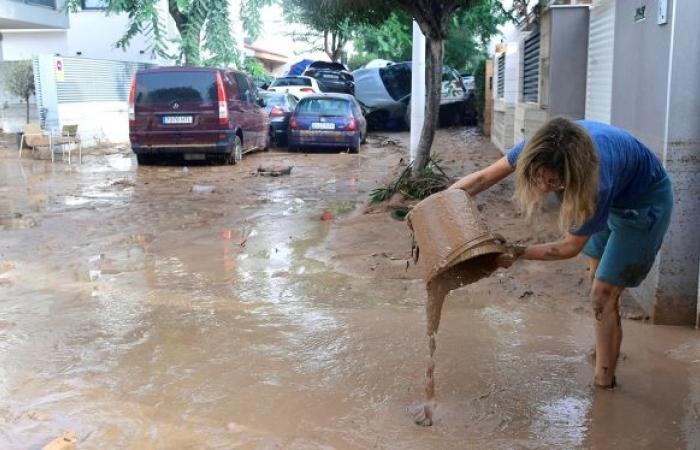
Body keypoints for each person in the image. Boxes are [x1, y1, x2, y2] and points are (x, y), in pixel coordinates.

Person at [450, 117, 673, 389]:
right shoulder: (540, 148)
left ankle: (604, 382)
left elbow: (568, 247)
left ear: (572, 174)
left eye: (553, 182)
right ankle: (604, 347)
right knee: (596, 277)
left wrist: (514, 252)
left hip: (644, 203)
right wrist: (438, 204)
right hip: (616, 190)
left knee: (603, 293)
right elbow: (484, 177)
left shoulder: (595, 185)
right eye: (538, 178)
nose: (544, 188)